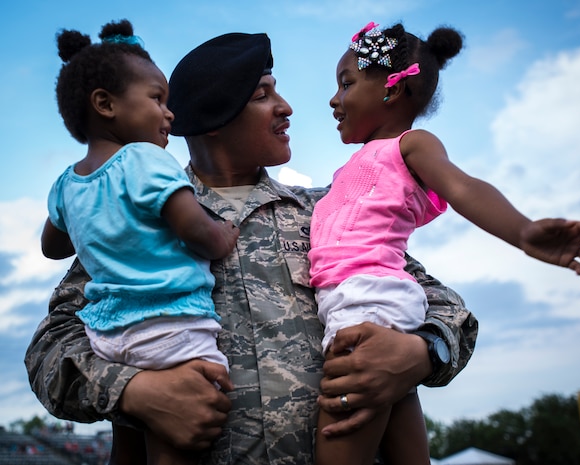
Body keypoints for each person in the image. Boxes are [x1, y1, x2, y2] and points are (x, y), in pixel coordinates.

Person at [25, 31, 478, 465]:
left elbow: (445, 309)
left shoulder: (327, 210)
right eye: (263, 95)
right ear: (212, 119)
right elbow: (50, 349)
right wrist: (134, 391)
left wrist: (420, 354)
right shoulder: (132, 218)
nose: (287, 108)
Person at [310, 22, 580, 465]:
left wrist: (523, 231)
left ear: (392, 90)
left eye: (347, 83)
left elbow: (464, 188)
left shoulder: (410, 145)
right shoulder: (356, 166)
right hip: (367, 303)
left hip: (365, 302)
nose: (335, 99)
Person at [39, 20, 239, 465]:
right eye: (157, 99)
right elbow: (194, 230)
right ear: (105, 104)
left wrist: (100, 224)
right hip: (171, 327)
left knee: (130, 441)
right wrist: (223, 235)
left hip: (108, 334)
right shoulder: (146, 158)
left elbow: (53, 246)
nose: (169, 113)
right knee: (181, 431)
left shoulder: (67, 184)